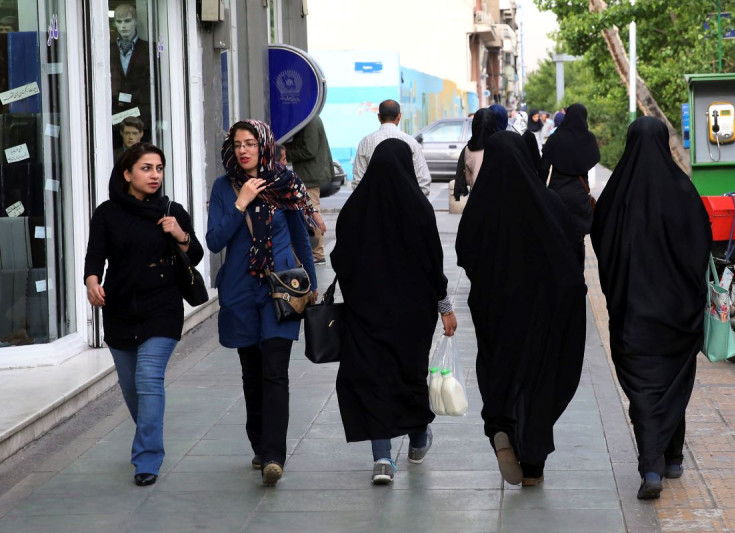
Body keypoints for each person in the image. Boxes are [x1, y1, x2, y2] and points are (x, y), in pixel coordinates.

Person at [456, 131, 586, 487]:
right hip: (542, 313)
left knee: (500, 372)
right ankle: (533, 467)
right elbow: (572, 256)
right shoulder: (548, 202)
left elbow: (463, 252)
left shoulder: (481, 205)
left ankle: (500, 427)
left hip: (494, 312)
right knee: (538, 382)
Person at [591, 117, 711, 500]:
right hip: (679, 316)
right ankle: (672, 458)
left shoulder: (616, 196)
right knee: (674, 381)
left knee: (644, 389)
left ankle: (652, 467)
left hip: (633, 315)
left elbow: (601, 246)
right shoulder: (683, 193)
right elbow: (702, 247)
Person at [331, 138, 457, 485]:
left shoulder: (356, 208)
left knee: (373, 378)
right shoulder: (418, 207)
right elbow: (434, 263)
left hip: (366, 312)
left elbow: (339, 259)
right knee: (409, 374)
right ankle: (417, 441)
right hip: (413, 316)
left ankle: (383, 458)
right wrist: (444, 307)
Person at [206, 119, 318, 486]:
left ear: (264, 145)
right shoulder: (224, 188)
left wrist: (312, 288)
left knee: (275, 373)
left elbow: (302, 240)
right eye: (238, 144)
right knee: (252, 376)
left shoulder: (284, 184)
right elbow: (214, 240)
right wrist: (240, 204)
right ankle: (259, 443)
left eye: (250, 143)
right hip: (240, 292)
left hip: (280, 292)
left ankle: (274, 455)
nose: (243, 150)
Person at [84, 142, 204, 486]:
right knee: (131, 386)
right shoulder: (107, 212)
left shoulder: (171, 210)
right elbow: (96, 255)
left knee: (149, 378)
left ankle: (147, 459)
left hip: (162, 306)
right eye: (146, 168)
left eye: (159, 168)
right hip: (119, 306)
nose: (155, 175)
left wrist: (179, 234)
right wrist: (92, 281)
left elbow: (194, 254)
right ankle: (148, 437)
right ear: (127, 173)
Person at [541, 103, 600, 265]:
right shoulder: (588, 139)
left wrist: (540, 191)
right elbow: (594, 159)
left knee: (558, 239)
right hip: (580, 196)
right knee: (578, 239)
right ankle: (578, 277)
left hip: (557, 196)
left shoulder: (555, 138)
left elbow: (543, 168)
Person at [351, 99, 431, 195]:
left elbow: (358, 181)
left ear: (379, 117)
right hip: (405, 206)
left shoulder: (366, 142)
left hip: (374, 206)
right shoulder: (411, 142)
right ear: (399, 116)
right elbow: (423, 180)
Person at [285, 115, 333, 265]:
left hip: (309, 175)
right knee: (310, 212)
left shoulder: (310, 121)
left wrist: (285, 153)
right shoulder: (310, 119)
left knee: (311, 212)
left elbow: (309, 150)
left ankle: (317, 254)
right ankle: (316, 253)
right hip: (308, 173)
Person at [110, 4, 152, 147]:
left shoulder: (149, 49)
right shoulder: (107, 50)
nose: (123, 26)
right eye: (119, 21)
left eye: (127, 21)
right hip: (116, 119)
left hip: (142, 118)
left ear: (135, 21)